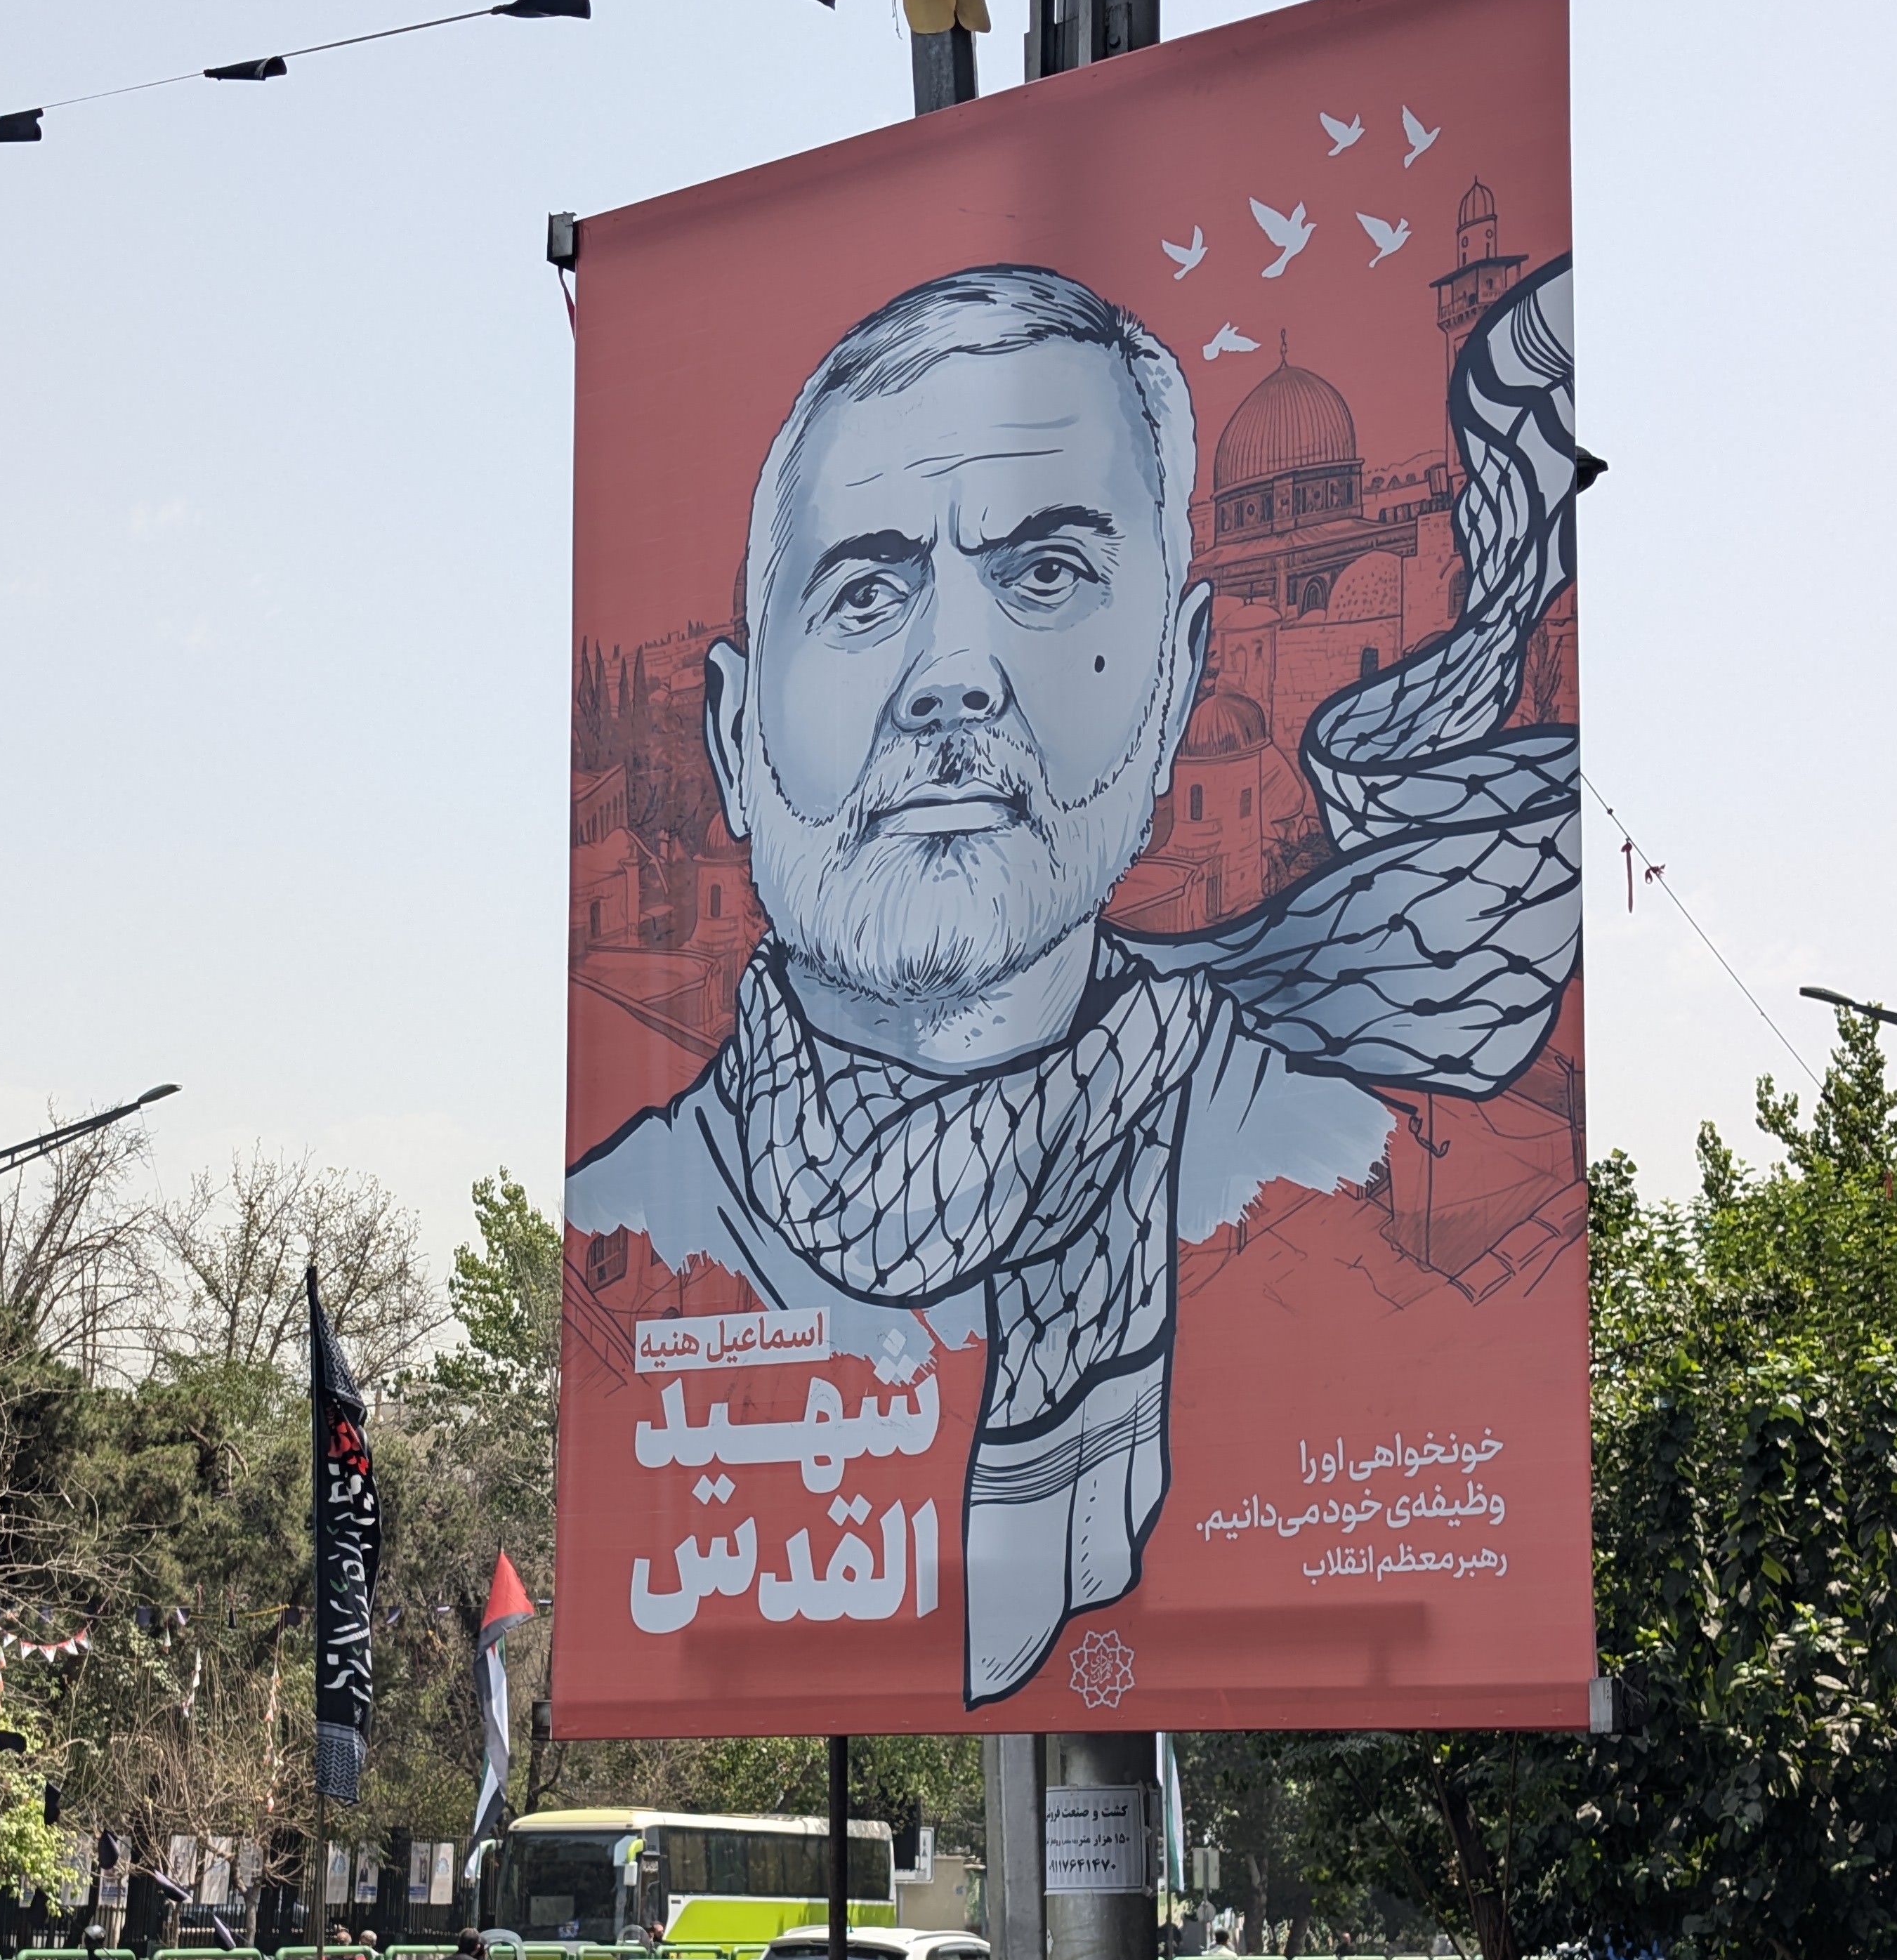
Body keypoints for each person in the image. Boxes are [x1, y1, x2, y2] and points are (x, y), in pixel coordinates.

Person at [566, 258, 1586, 1704]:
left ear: (1179, 685)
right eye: (865, 594)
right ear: (733, 736)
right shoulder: (620, 1242)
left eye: (1046, 574)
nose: (952, 676)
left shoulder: (1336, 1174)